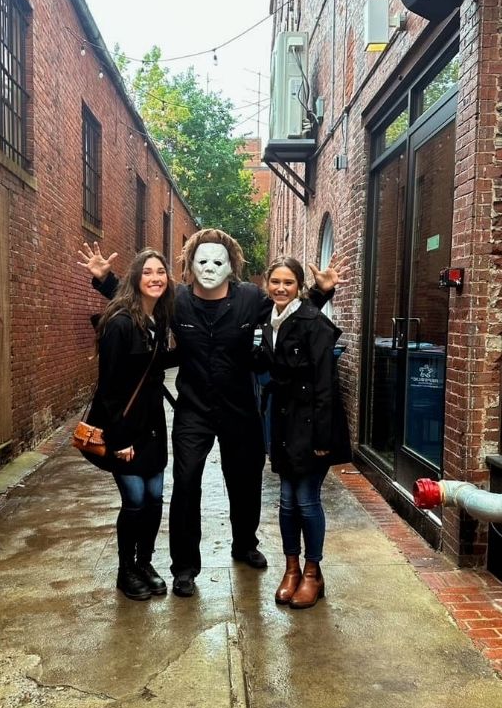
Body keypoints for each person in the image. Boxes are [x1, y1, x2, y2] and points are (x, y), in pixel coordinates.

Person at [79, 230, 344, 598]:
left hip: (239, 407)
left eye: (218, 261)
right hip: (193, 409)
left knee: (245, 479)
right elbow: (140, 299)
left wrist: (321, 292)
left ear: (231, 265)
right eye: (201, 261)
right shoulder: (178, 300)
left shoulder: (251, 298)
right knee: (186, 485)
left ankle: (245, 542)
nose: (209, 268)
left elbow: (290, 312)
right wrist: (105, 279)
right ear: (189, 264)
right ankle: (184, 567)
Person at [78, 248, 175, 601]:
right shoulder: (119, 322)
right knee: (134, 501)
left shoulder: (157, 319)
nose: (155, 278)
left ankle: (145, 563)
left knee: (153, 500)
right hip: (125, 429)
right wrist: (119, 439)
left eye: (161, 272)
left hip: (153, 425)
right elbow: (108, 388)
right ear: (135, 279)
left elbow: (156, 362)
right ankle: (125, 570)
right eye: (147, 272)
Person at [258, 256, 351, 609]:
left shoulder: (314, 323)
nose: (281, 288)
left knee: (306, 500)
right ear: (267, 284)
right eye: (275, 281)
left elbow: (326, 385)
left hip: (313, 426)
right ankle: (292, 569)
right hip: (283, 423)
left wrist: (323, 440)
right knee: (286, 501)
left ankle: (312, 572)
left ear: (299, 287)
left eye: (288, 283)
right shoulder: (270, 320)